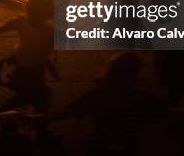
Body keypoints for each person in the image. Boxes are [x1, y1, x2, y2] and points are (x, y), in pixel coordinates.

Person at [27, 52, 168, 156]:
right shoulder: (145, 98)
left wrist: (31, 118)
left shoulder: (98, 96)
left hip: (100, 147)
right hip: (129, 148)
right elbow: (170, 112)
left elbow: (62, 114)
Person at [0, 0, 57, 112]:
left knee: (30, 95)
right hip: (28, 70)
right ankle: (0, 117)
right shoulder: (49, 32)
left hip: (19, 65)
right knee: (35, 99)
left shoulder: (23, 21)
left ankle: (4, 117)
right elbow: (44, 54)